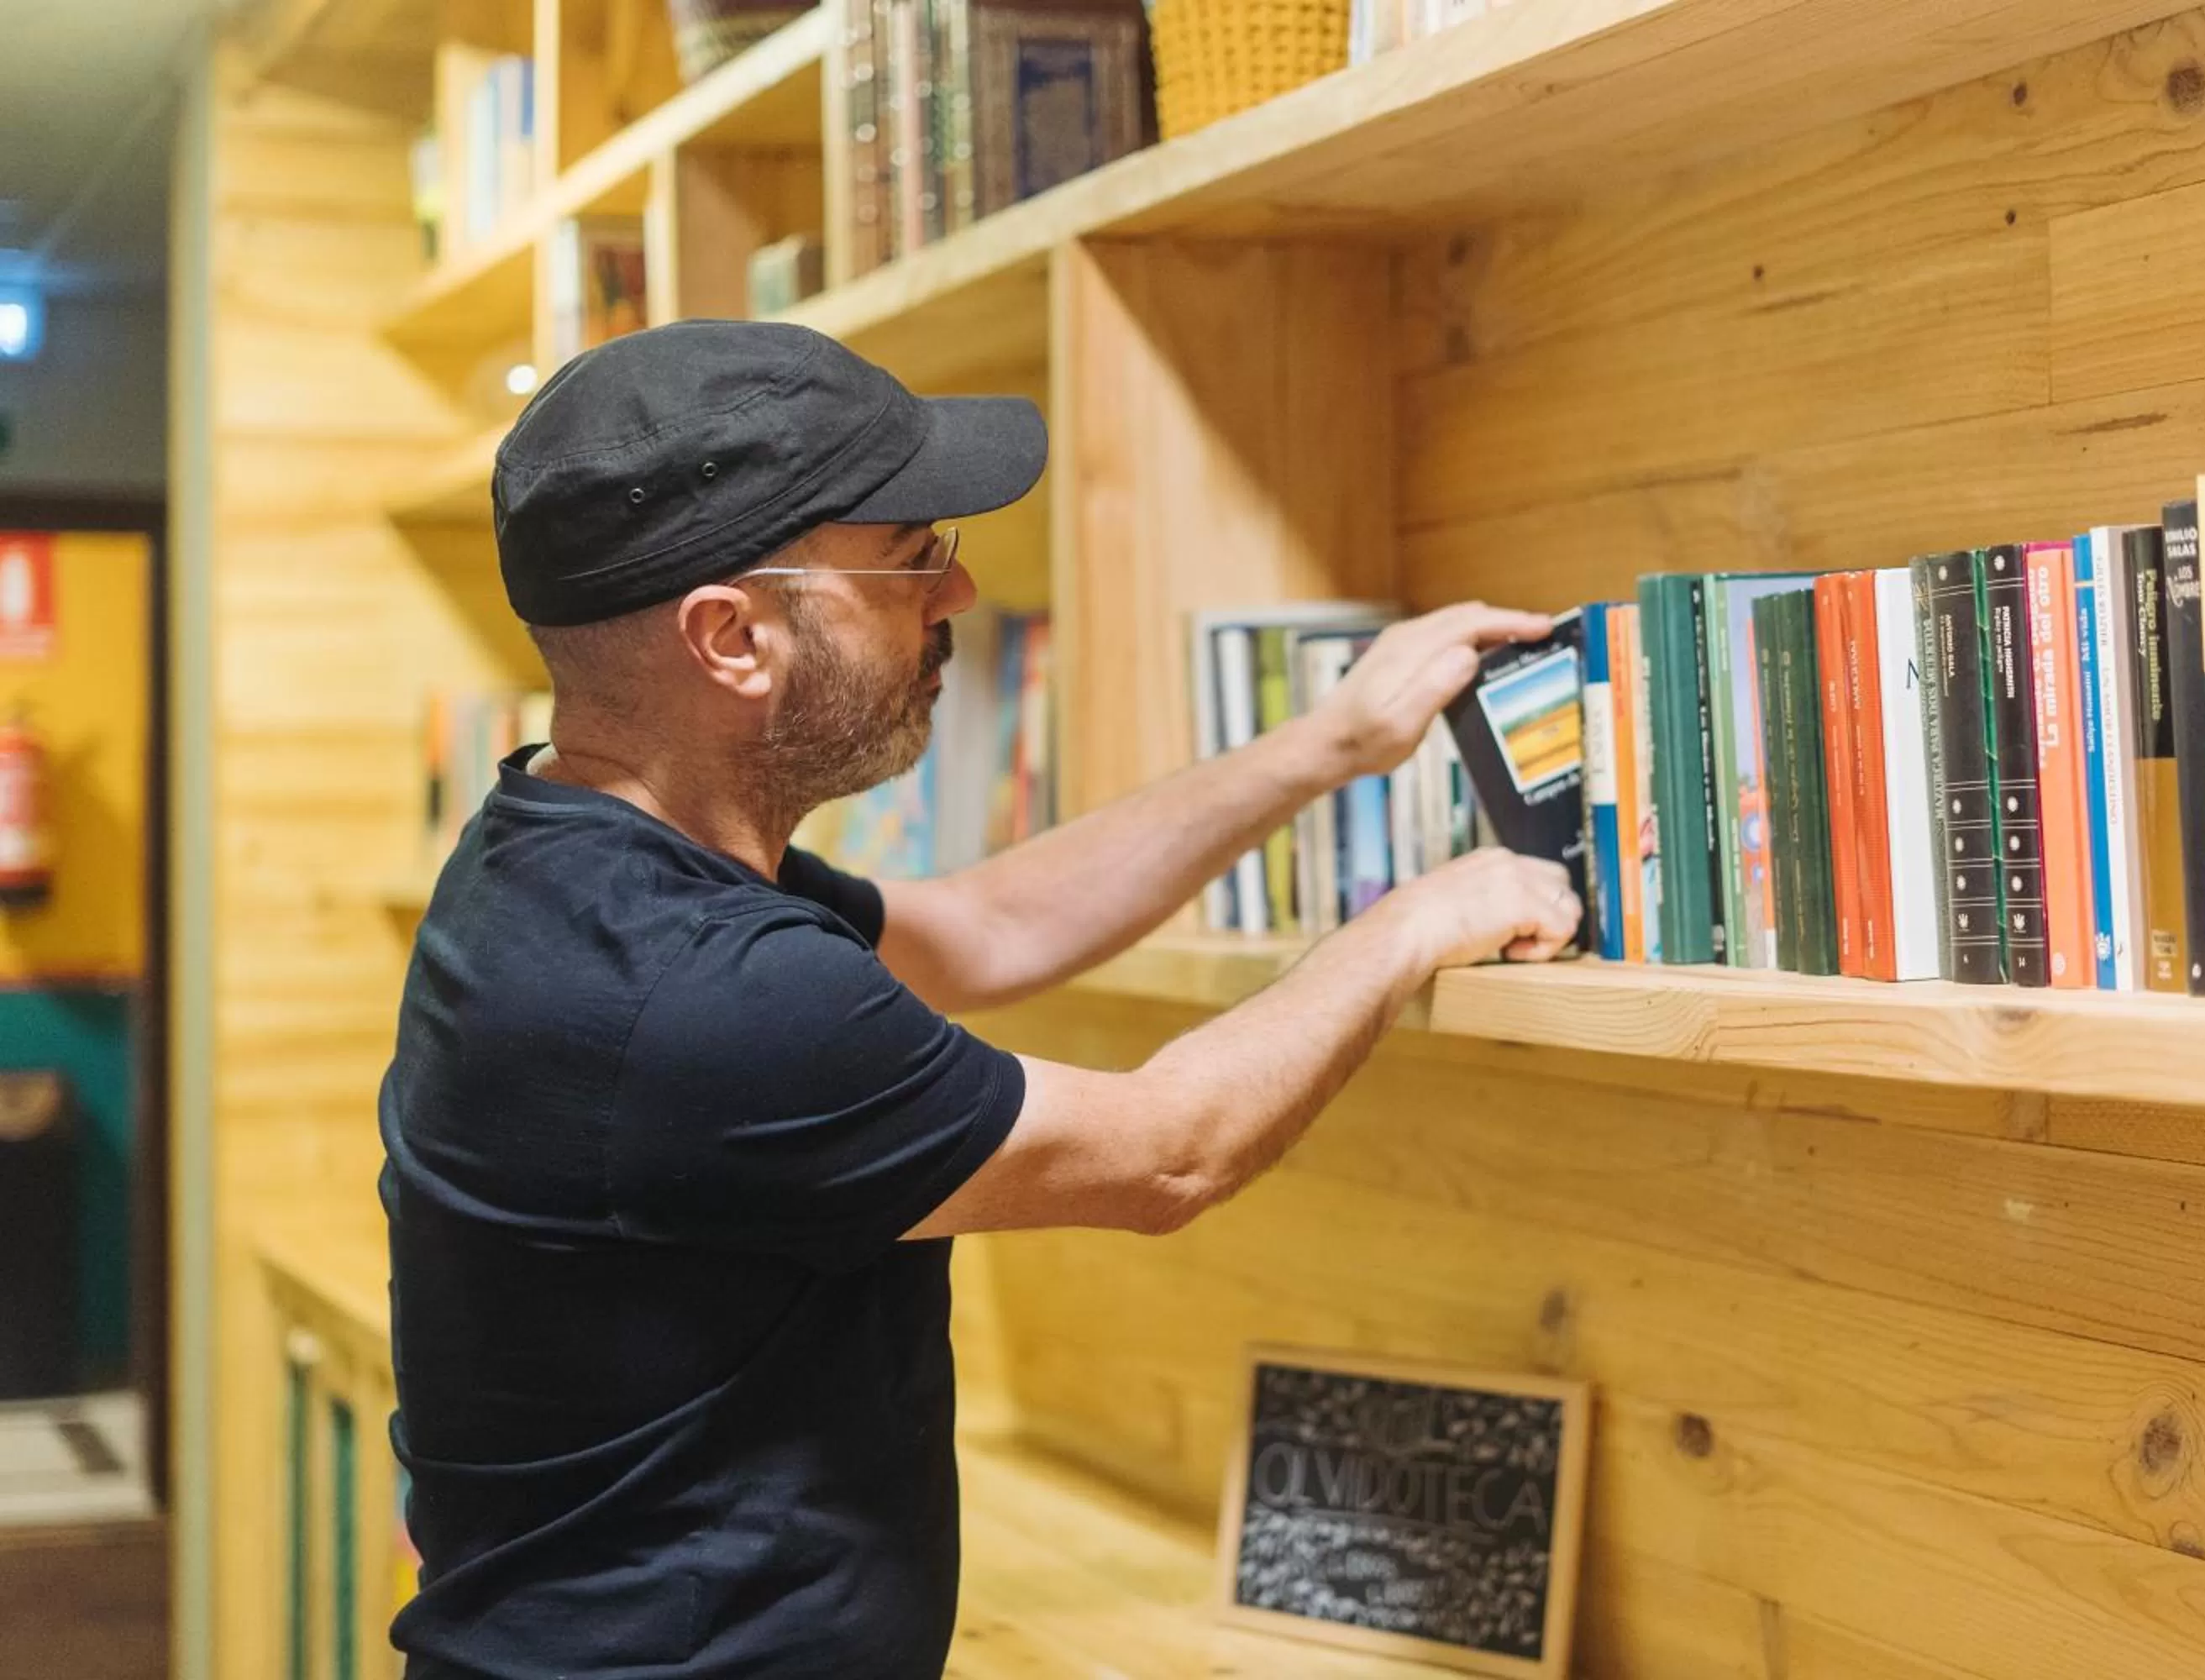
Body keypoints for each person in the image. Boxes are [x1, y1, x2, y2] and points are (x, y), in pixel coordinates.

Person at [378, 318, 1581, 1679]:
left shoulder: (566, 857)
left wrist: (1328, 746)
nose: (956, 596)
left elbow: (985, 930)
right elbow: (1172, 1151)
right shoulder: (700, 994)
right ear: (732, 638)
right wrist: (1420, 918)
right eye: (909, 561)